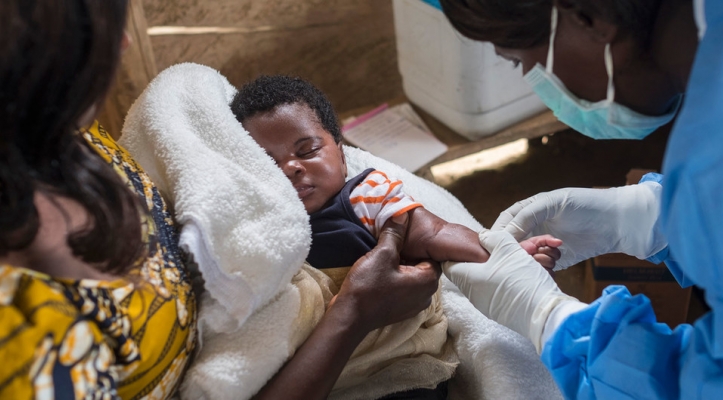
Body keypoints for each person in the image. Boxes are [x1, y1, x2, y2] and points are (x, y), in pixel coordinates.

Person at [0, 1, 441, 399]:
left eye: (308, 150)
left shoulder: (67, 131)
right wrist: (353, 314)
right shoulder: (20, 334)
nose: (124, 43)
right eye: (87, 36)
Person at [438, 0, 723, 398]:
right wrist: (656, 215)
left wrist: (553, 321)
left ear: (589, 21)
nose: (534, 81)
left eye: (519, 61)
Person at [229, 75, 562, 399]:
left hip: (398, 373)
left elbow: (436, 232)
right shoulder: (257, 226)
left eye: (308, 150)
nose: (291, 167)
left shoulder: (365, 197)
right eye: (269, 163)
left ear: (342, 156)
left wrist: (505, 259)